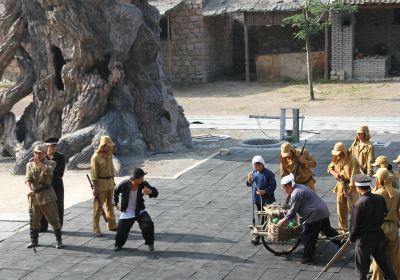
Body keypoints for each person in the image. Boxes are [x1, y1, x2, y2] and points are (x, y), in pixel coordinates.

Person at [278, 173, 342, 264]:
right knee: (327, 230)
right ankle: (342, 243)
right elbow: (297, 208)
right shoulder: (299, 187)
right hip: (322, 210)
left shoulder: (296, 193)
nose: (283, 190)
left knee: (307, 236)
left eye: (283, 187)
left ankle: (307, 257)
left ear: (288, 185)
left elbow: (293, 210)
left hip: (315, 215)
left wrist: (283, 220)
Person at [349, 174, 397, 280]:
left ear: (358, 188)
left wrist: (351, 238)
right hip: (379, 236)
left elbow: (354, 225)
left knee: (361, 270)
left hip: (364, 240)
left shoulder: (359, 204)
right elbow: (384, 213)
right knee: (386, 267)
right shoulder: (380, 198)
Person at [25, 145, 64, 249]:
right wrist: (29, 189)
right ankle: (34, 240)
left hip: (47, 195)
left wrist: (37, 162)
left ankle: (59, 240)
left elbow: (48, 171)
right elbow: (28, 178)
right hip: (34, 196)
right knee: (34, 219)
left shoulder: (51, 162)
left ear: (44, 154)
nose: (37, 155)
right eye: (36, 153)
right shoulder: (29, 165)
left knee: (54, 218)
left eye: (40, 153)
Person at [113, 168, 158, 251]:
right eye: (141, 177)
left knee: (148, 224)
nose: (143, 179)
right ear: (135, 178)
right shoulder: (124, 184)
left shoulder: (143, 184)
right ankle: (118, 244)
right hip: (127, 211)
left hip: (139, 210)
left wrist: (150, 191)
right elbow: (115, 191)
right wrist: (115, 203)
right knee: (121, 230)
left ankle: (150, 243)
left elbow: (156, 192)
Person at [370, 168, 400, 280]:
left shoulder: (376, 194)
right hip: (392, 227)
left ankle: (377, 278)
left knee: (379, 258)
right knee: (395, 257)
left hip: (379, 228)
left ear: (379, 179)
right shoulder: (397, 193)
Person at [327, 142, 360, 232]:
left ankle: (355, 231)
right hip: (341, 187)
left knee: (353, 211)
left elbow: (354, 176)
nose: (338, 157)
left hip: (351, 189)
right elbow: (329, 168)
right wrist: (335, 174)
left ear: (343, 152)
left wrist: (350, 189)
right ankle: (343, 231)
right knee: (341, 211)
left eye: (339, 154)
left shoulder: (352, 160)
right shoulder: (336, 158)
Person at [91, 135, 118, 237]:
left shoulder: (109, 154)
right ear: (103, 146)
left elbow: (111, 168)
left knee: (110, 205)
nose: (110, 148)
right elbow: (94, 174)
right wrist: (95, 187)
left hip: (109, 182)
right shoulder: (95, 157)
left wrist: (113, 181)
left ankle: (112, 224)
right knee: (98, 207)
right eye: (108, 146)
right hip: (101, 184)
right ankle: (96, 228)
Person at [246, 155, 277, 245]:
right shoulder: (254, 173)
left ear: (263, 164)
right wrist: (249, 180)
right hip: (257, 200)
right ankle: (260, 235)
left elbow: (273, 185)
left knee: (265, 217)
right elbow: (249, 184)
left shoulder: (268, 174)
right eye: (255, 166)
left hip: (267, 200)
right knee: (260, 217)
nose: (257, 168)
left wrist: (265, 191)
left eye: (259, 166)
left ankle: (259, 236)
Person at [40, 137, 66, 232]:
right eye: (52, 146)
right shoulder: (42, 157)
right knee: (44, 204)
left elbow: (60, 173)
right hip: (45, 185)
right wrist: (49, 171)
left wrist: (46, 171)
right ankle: (43, 226)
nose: (54, 148)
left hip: (57, 185)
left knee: (58, 205)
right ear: (47, 147)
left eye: (55, 146)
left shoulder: (60, 157)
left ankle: (58, 226)